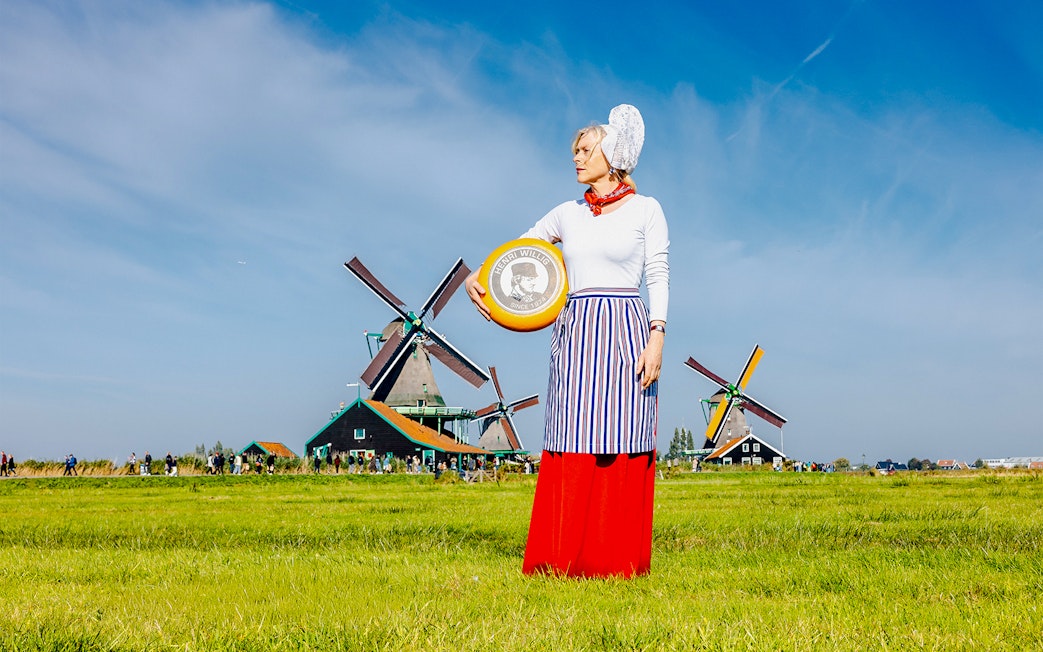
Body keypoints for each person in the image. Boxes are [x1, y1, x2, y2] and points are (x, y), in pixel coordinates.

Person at [466, 104, 667, 579]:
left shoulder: (646, 209)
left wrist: (657, 336)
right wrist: (480, 276)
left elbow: (657, 272)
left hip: (625, 327)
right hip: (575, 330)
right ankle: (561, 559)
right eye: (574, 151)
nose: (575, 158)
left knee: (623, 434)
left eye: (584, 150)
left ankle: (614, 560)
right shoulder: (566, 213)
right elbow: (522, 249)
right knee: (572, 434)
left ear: (611, 154)